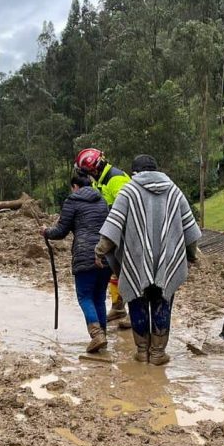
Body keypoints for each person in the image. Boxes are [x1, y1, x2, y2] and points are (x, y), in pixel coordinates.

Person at [95, 155, 201, 365]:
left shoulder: (129, 191)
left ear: (135, 172)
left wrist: (100, 251)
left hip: (136, 260)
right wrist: (191, 255)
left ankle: (142, 352)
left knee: (137, 301)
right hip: (168, 261)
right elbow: (189, 228)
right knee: (162, 302)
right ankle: (158, 354)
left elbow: (113, 226)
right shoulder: (174, 191)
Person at [41, 174, 111, 353]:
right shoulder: (102, 200)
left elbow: (61, 231)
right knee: (99, 297)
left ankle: (96, 335)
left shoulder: (72, 200)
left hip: (85, 254)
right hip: (106, 254)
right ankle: (102, 334)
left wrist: (46, 232)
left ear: (75, 186)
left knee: (85, 296)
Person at [74, 148, 132, 326]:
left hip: (127, 233)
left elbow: (125, 210)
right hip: (112, 233)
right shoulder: (100, 181)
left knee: (130, 273)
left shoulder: (116, 179)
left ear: (92, 170)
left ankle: (135, 309)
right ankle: (118, 306)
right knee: (115, 271)